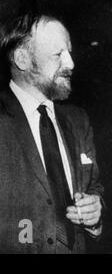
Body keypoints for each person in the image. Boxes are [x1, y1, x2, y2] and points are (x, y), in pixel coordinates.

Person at [0, 13, 104, 253]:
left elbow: (94, 186)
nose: (71, 63)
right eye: (58, 55)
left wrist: (95, 214)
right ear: (22, 59)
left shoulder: (78, 121)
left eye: (69, 52)